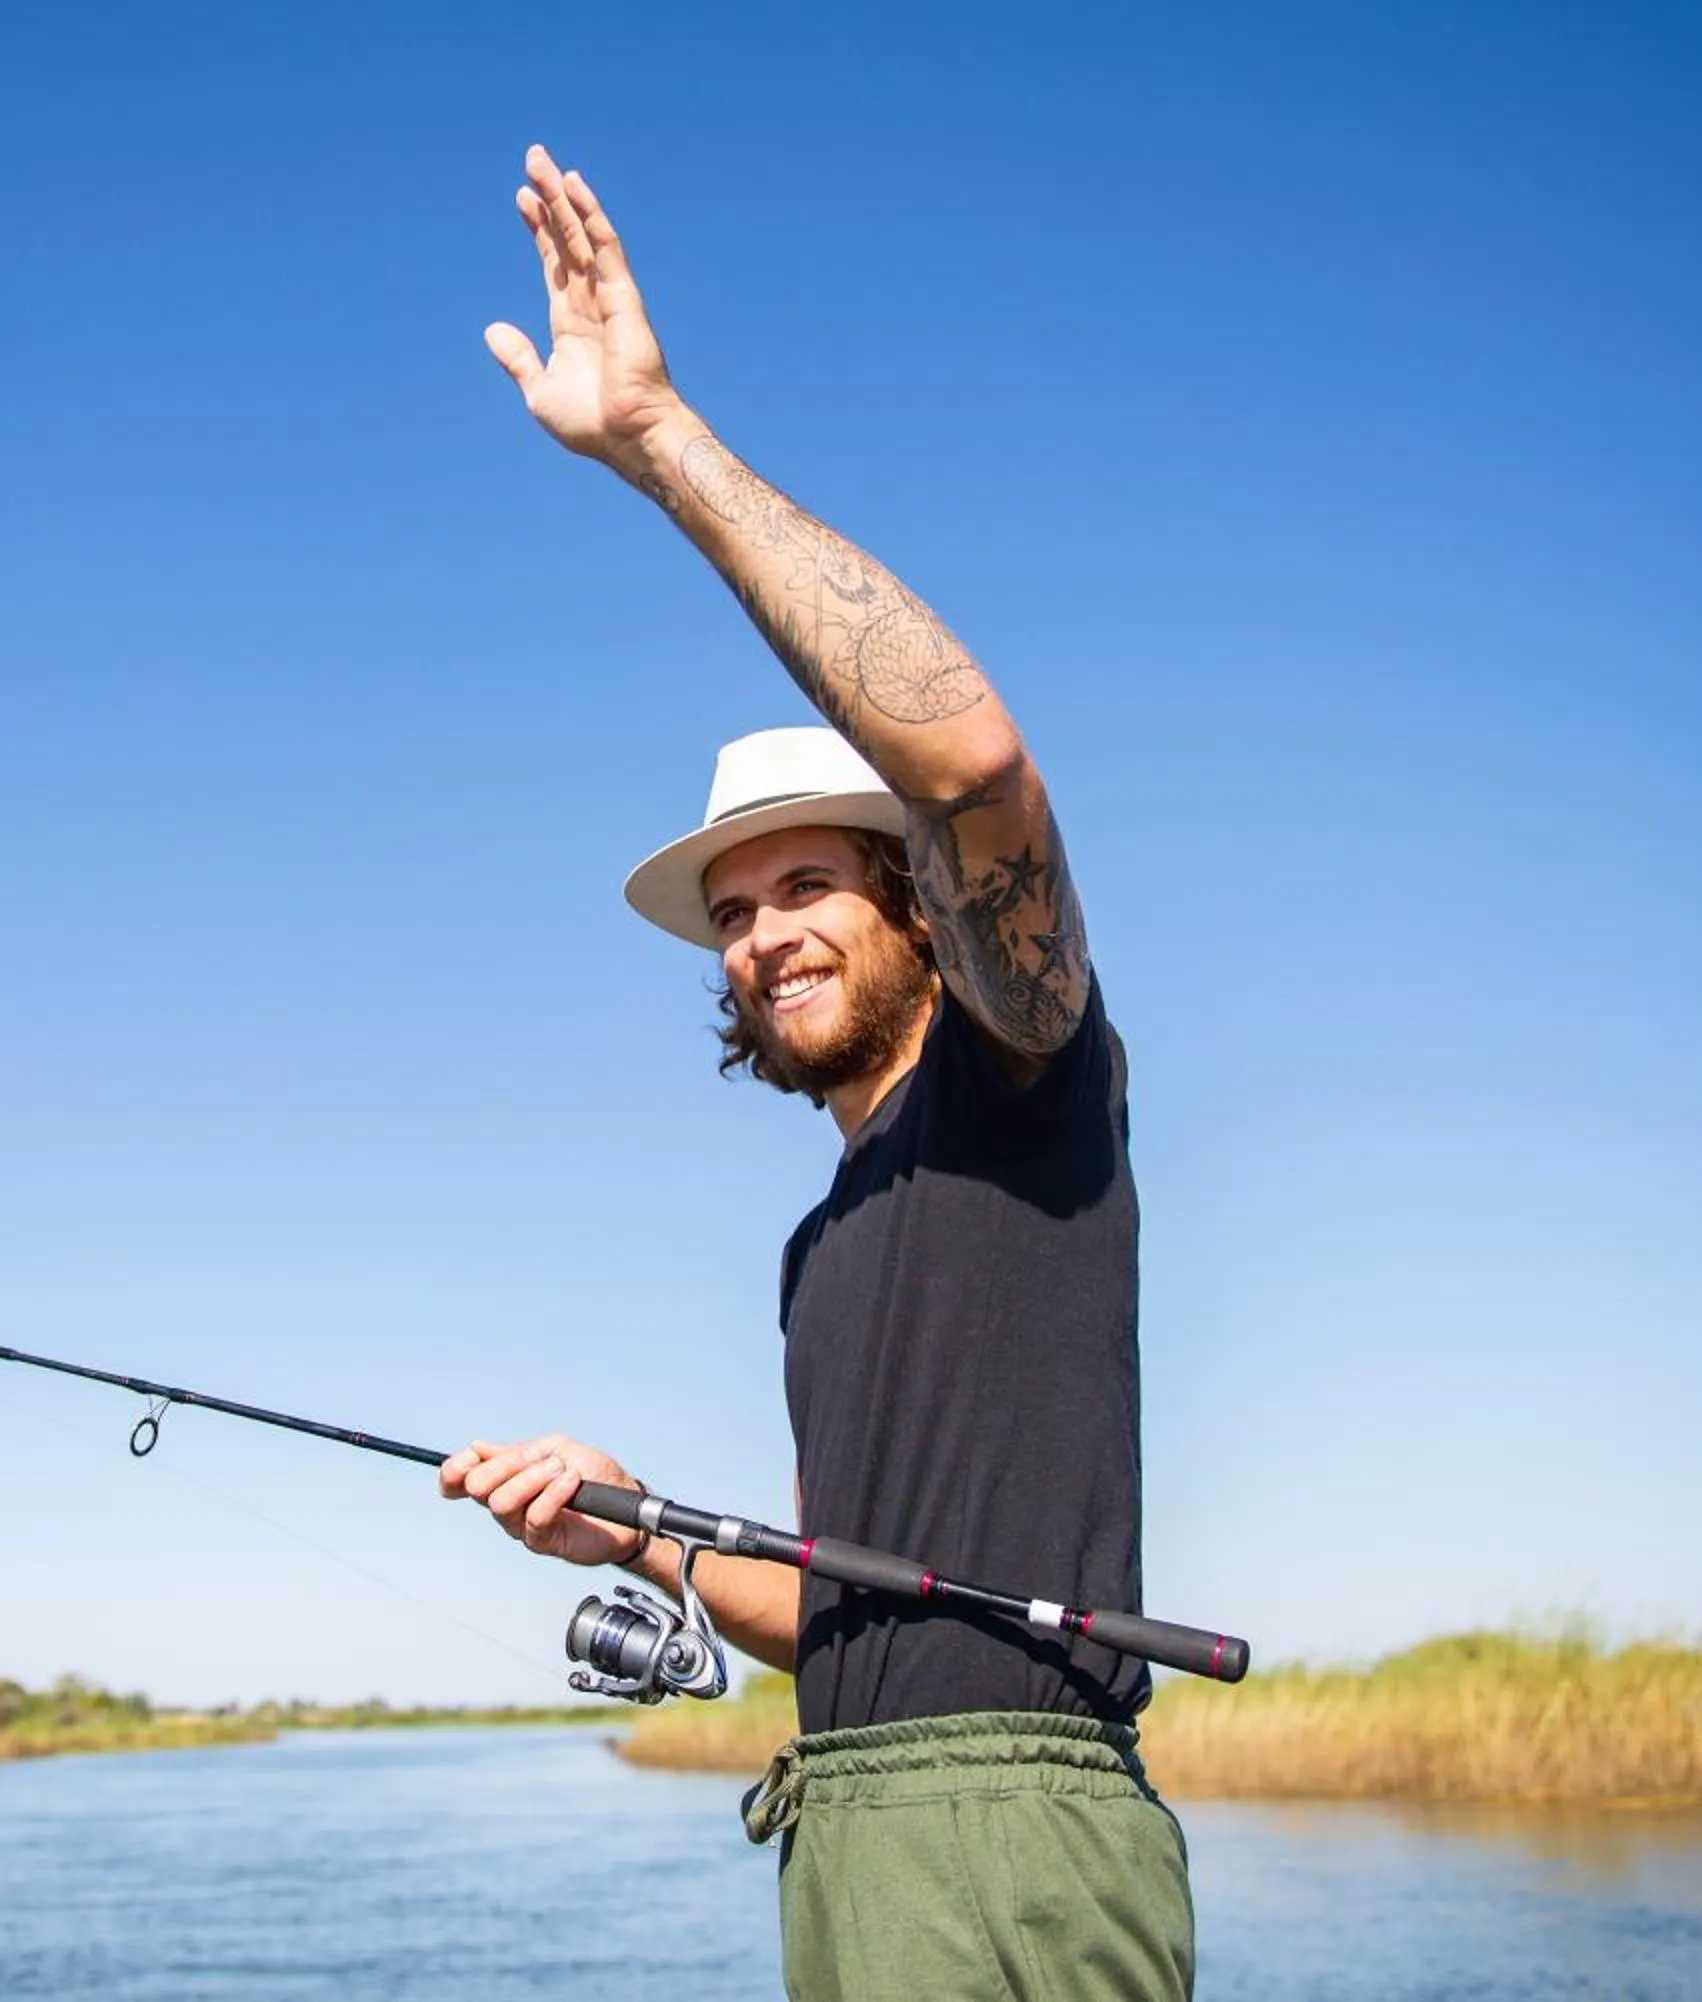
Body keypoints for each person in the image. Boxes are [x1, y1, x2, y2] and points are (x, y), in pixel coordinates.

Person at [438, 146, 1195, 2000]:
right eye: (737, 909)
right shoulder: (819, 1241)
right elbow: (849, 1617)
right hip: (845, 1824)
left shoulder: (1027, 1072)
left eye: (810, 883)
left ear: (923, 909)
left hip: (1015, 1843)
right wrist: (645, 1533)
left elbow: (976, 774)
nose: (767, 929)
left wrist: (654, 441)